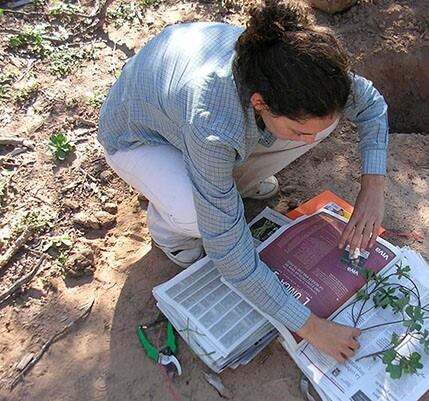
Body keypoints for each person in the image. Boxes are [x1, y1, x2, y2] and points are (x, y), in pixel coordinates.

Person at [98, 0, 388, 363]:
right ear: (259, 102)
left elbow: (372, 105)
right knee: (196, 216)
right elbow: (230, 255)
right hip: (139, 137)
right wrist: (312, 328)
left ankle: (233, 181)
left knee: (320, 121)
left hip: (184, 107)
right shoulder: (213, 128)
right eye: (299, 131)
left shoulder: (303, 74)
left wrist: (372, 187)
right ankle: (169, 232)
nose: (308, 142)